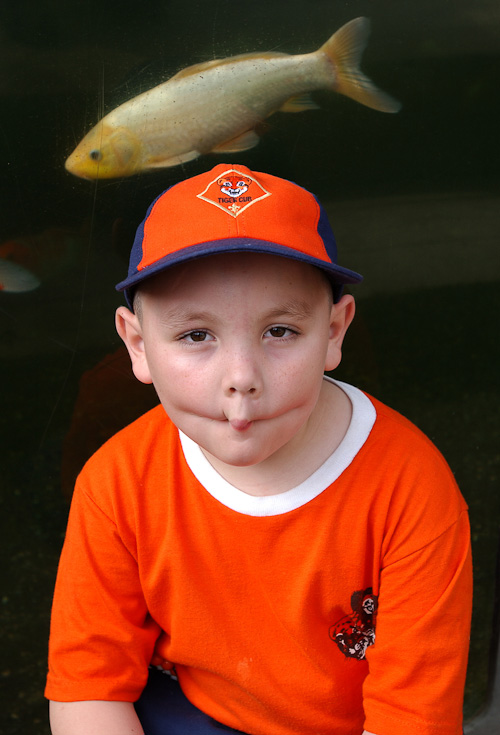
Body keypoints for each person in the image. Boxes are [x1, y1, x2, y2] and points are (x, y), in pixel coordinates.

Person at [45, 164, 472, 735]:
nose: (241, 378)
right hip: (190, 711)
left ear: (335, 331)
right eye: (197, 335)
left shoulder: (411, 488)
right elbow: (87, 687)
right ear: (137, 345)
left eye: (280, 331)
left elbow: (412, 719)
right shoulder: (117, 481)